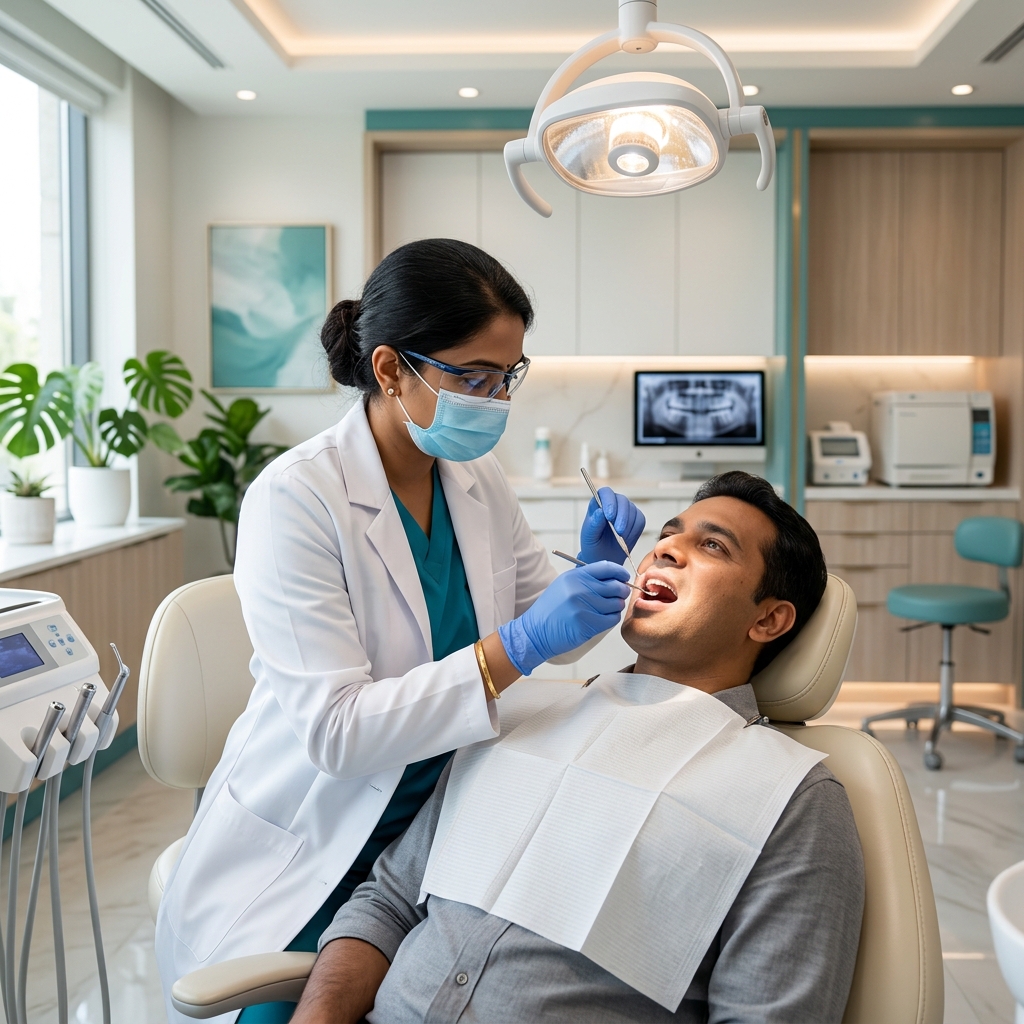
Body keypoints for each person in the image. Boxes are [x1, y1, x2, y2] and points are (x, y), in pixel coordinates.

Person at [154, 238, 647, 1023]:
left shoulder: (475, 480)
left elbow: (547, 616)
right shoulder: (296, 499)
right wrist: (517, 648)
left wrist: (585, 579)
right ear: (391, 370)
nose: (496, 399)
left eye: (507, 376)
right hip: (323, 841)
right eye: (474, 377)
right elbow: (339, 733)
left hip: (441, 831)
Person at [290, 472, 866, 1024]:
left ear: (768, 619)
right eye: (667, 534)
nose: (665, 549)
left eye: (712, 545)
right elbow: (388, 903)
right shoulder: (520, 712)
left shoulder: (790, 799)